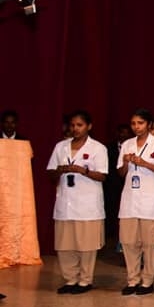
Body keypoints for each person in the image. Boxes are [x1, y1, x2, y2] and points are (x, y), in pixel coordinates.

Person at [45, 110, 109, 293]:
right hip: (65, 203)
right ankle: (70, 279)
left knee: (86, 245)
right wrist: (60, 170)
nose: (75, 129)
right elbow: (50, 172)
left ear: (89, 126)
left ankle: (85, 281)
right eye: (72, 125)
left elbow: (103, 175)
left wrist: (83, 171)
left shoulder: (98, 148)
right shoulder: (61, 147)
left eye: (79, 125)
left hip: (87, 205)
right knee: (65, 245)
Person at [116, 109, 154, 295]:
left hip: (150, 200)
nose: (136, 127)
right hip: (130, 199)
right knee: (129, 242)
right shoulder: (127, 144)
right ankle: (132, 280)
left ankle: (147, 281)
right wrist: (125, 162)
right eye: (133, 123)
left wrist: (144, 163)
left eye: (140, 123)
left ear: (149, 124)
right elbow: (121, 173)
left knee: (149, 244)